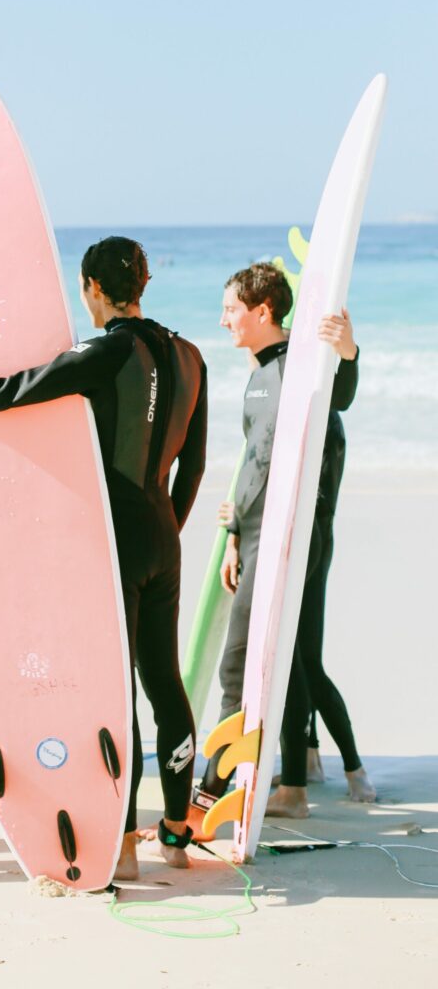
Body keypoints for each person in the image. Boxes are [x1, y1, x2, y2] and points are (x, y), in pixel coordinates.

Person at [0, 236, 207, 879]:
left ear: (90, 287)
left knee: (118, 691)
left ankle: (125, 843)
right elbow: (192, 467)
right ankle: (175, 830)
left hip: (116, 543)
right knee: (164, 682)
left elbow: (4, 392)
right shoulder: (190, 355)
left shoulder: (105, 350)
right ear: (141, 284)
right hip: (164, 536)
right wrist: (165, 530)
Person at [192, 263, 373, 833]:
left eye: (231, 309)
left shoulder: (303, 362)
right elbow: (254, 460)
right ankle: (289, 782)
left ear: (262, 311)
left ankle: (208, 799)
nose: (223, 320)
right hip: (255, 534)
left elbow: (337, 399)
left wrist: (349, 352)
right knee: (280, 665)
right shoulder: (258, 373)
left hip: (289, 537)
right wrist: (230, 534)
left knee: (244, 666)